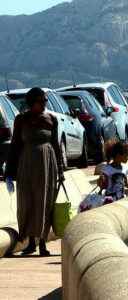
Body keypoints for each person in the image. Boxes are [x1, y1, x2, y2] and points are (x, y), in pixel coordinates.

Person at [4, 87, 64, 256]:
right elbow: (15, 145)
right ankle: (31, 242)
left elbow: (56, 146)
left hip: (47, 165)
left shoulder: (51, 119)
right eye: (41, 101)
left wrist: (60, 170)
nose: (44, 103)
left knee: (45, 202)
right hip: (26, 166)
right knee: (28, 201)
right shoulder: (21, 120)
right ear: (32, 102)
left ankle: (43, 242)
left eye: (45, 101)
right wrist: (9, 172)